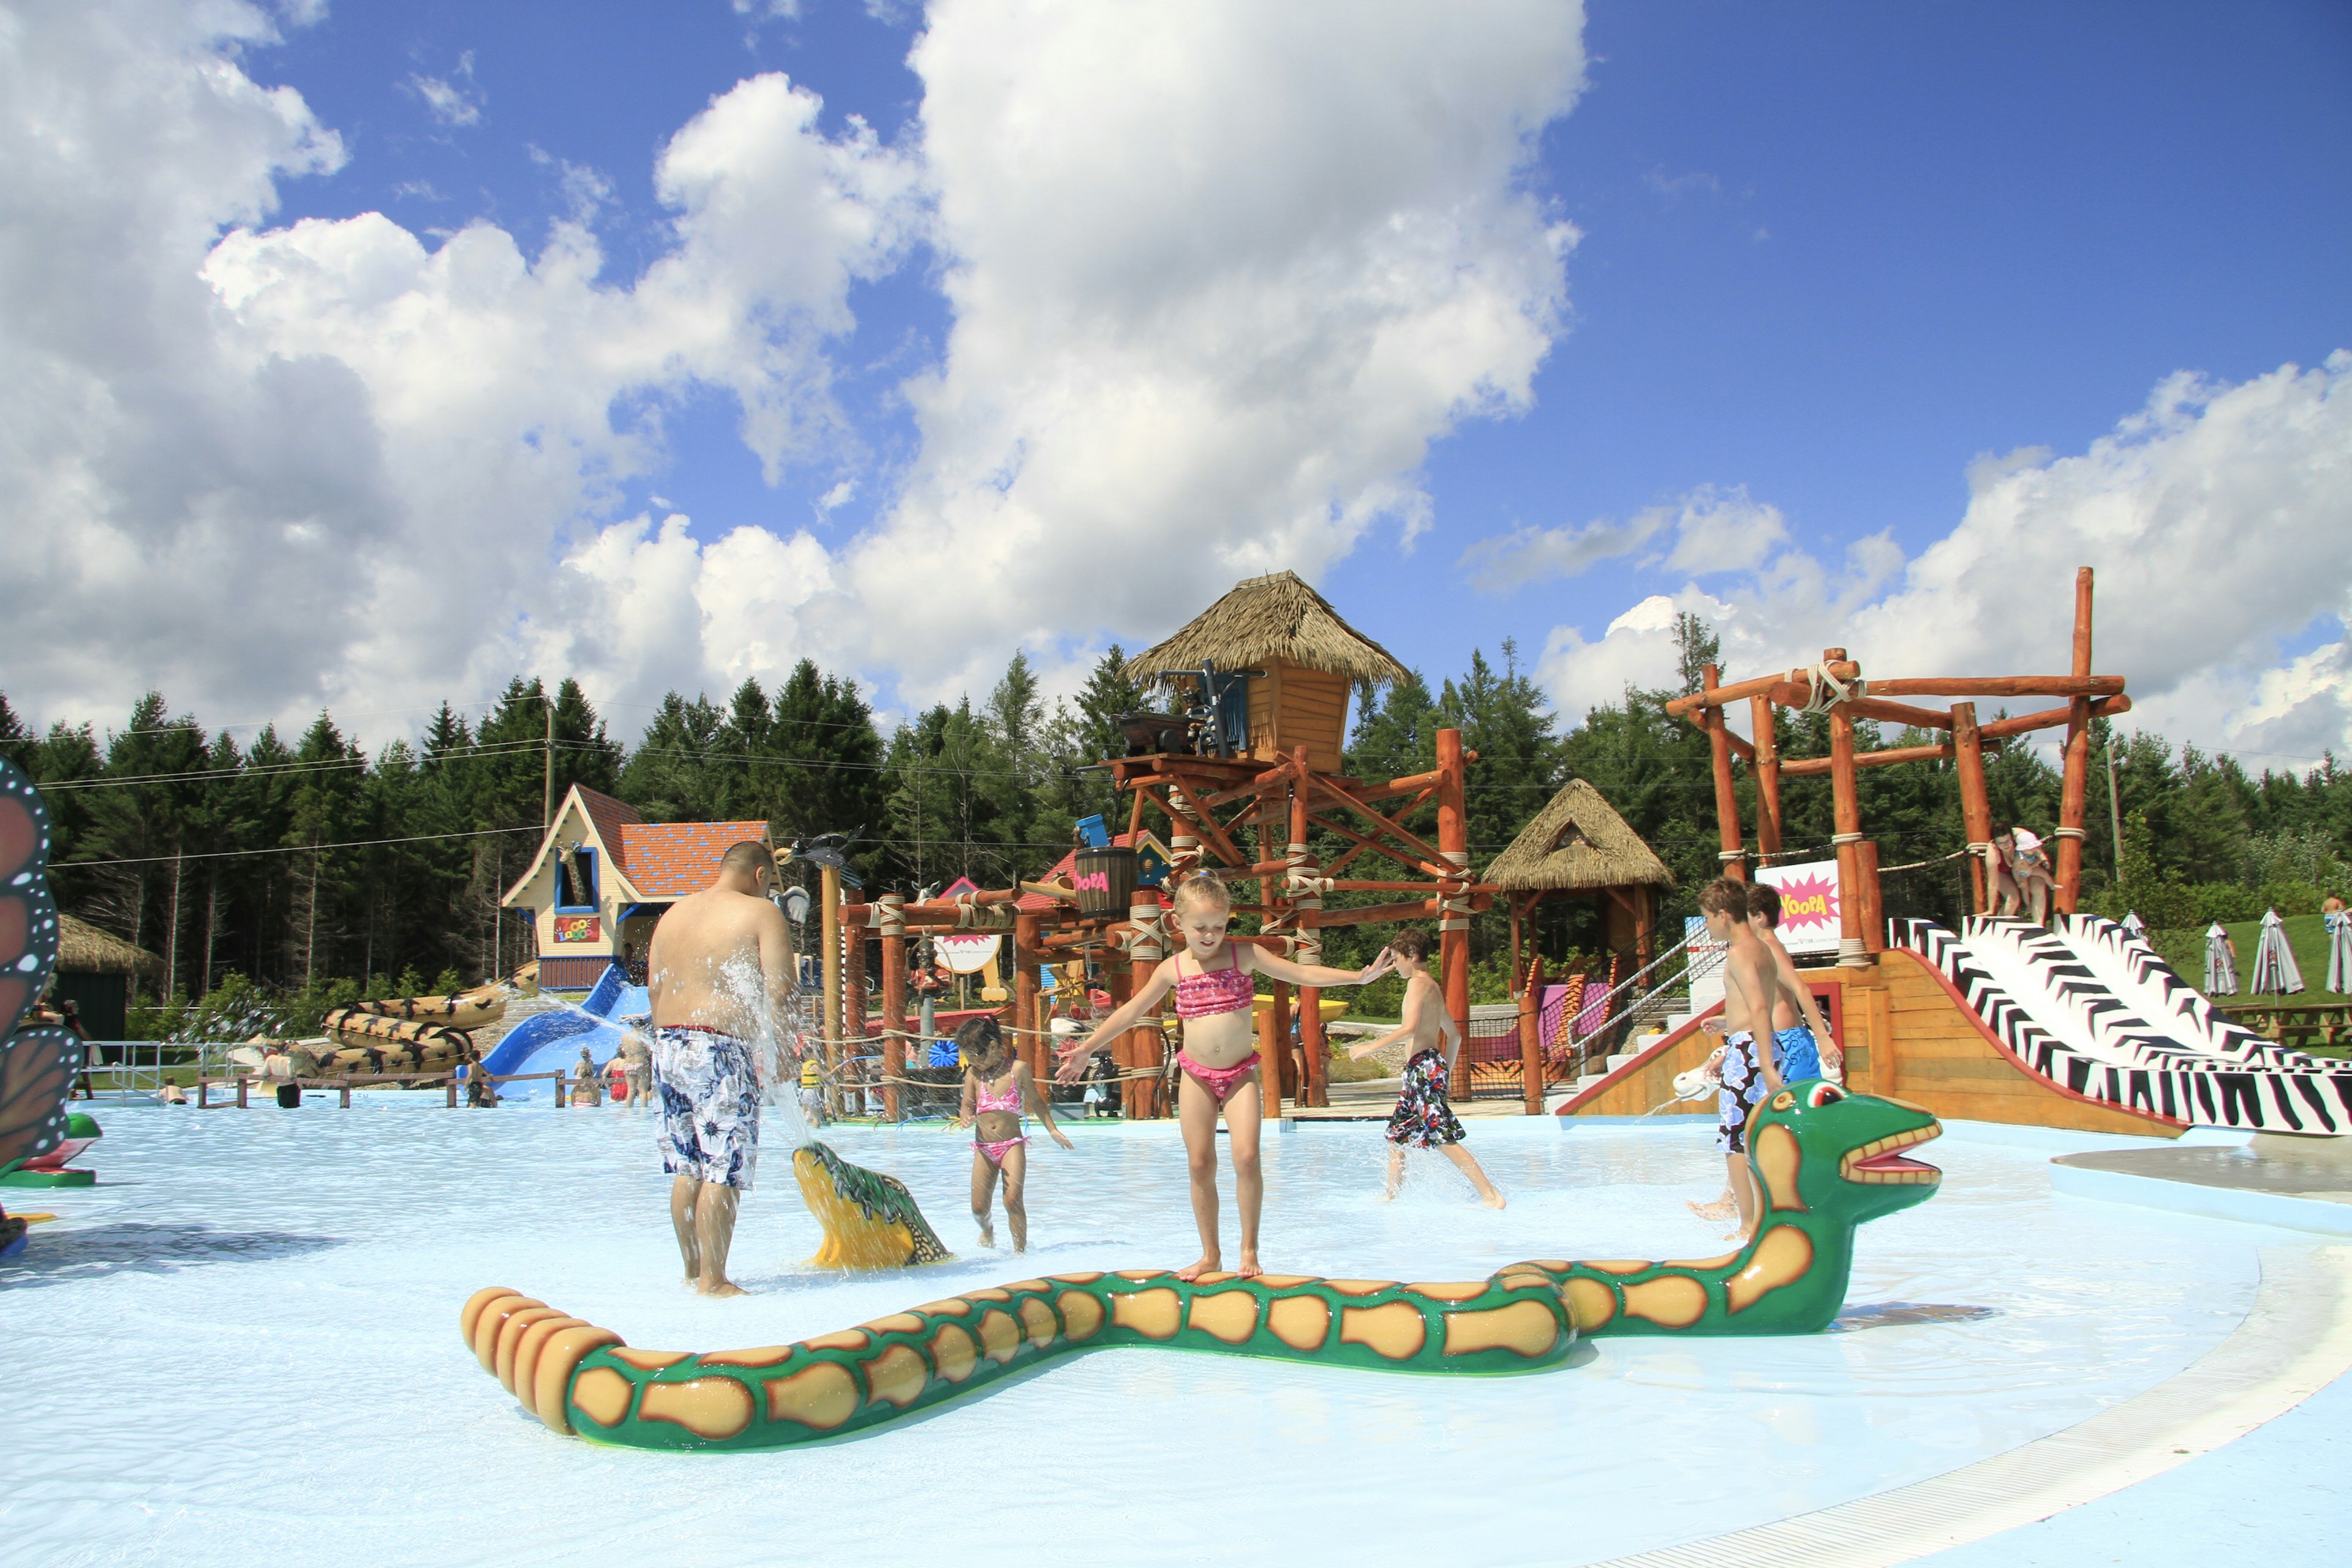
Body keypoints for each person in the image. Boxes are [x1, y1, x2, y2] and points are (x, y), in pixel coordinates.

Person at [1057, 871, 1394, 1280]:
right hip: (1196, 1076)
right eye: (1201, 927)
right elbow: (1131, 1011)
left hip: (1239, 1075)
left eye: (1218, 926)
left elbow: (1301, 973)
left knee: (1248, 1157)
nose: (1210, 935)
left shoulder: (1244, 954)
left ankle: (1249, 1248)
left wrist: (1357, 977)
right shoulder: (1172, 969)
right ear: (1177, 923)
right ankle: (1210, 1254)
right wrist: (1088, 1047)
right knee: (1200, 1164)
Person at [646, 840, 796, 1298]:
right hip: (719, 1048)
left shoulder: (674, 913)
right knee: (723, 1166)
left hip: (667, 1045)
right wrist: (785, 1051)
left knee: (686, 1166)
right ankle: (715, 1281)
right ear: (759, 875)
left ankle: (693, 1270)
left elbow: (654, 988)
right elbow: (781, 987)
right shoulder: (761, 912)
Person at [1346, 927, 1504, 1208]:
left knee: (1441, 1135)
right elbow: (1454, 1036)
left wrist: (1366, 1048)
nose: (1395, 966)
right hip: (1427, 1069)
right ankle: (1391, 1196)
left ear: (1413, 955)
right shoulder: (1434, 988)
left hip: (1422, 1069)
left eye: (1397, 959)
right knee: (1397, 1135)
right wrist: (1445, 1074)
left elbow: (1409, 1029)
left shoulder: (1417, 985)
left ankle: (1491, 1196)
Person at [1698, 878, 1785, 1243]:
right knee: (1760, 1138)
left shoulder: (1739, 952)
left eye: (1707, 919)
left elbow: (1761, 1006)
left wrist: (1762, 1063)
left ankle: (1749, 1226)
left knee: (1735, 1142)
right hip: (1756, 1046)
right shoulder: (1762, 948)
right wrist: (1728, 1027)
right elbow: (1754, 1005)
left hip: (1752, 1051)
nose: (1706, 926)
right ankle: (1765, 1219)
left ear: (1723, 914)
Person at [951, 1016, 1072, 1250]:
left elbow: (1037, 1102)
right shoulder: (974, 1075)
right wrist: (965, 1116)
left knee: (1013, 1199)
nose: (971, 1062)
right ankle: (988, 1230)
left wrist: (1053, 1130)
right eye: (967, 1056)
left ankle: (1020, 1252)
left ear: (994, 1047)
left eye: (974, 1055)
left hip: (1011, 1145)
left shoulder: (1018, 1070)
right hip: (984, 1148)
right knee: (978, 1209)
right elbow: (967, 1104)